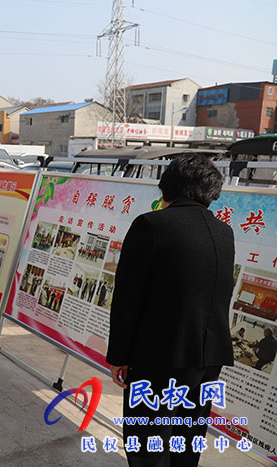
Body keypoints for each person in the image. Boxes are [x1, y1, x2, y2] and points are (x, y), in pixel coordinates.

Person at [106, 154, 234, 467]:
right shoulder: (224, 232)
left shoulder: (150, 225)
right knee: (187, 439)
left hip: (162, 355)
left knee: (148, 441)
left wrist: (119, 356)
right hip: (209, 357)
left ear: (167, 187)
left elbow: (127, 296)